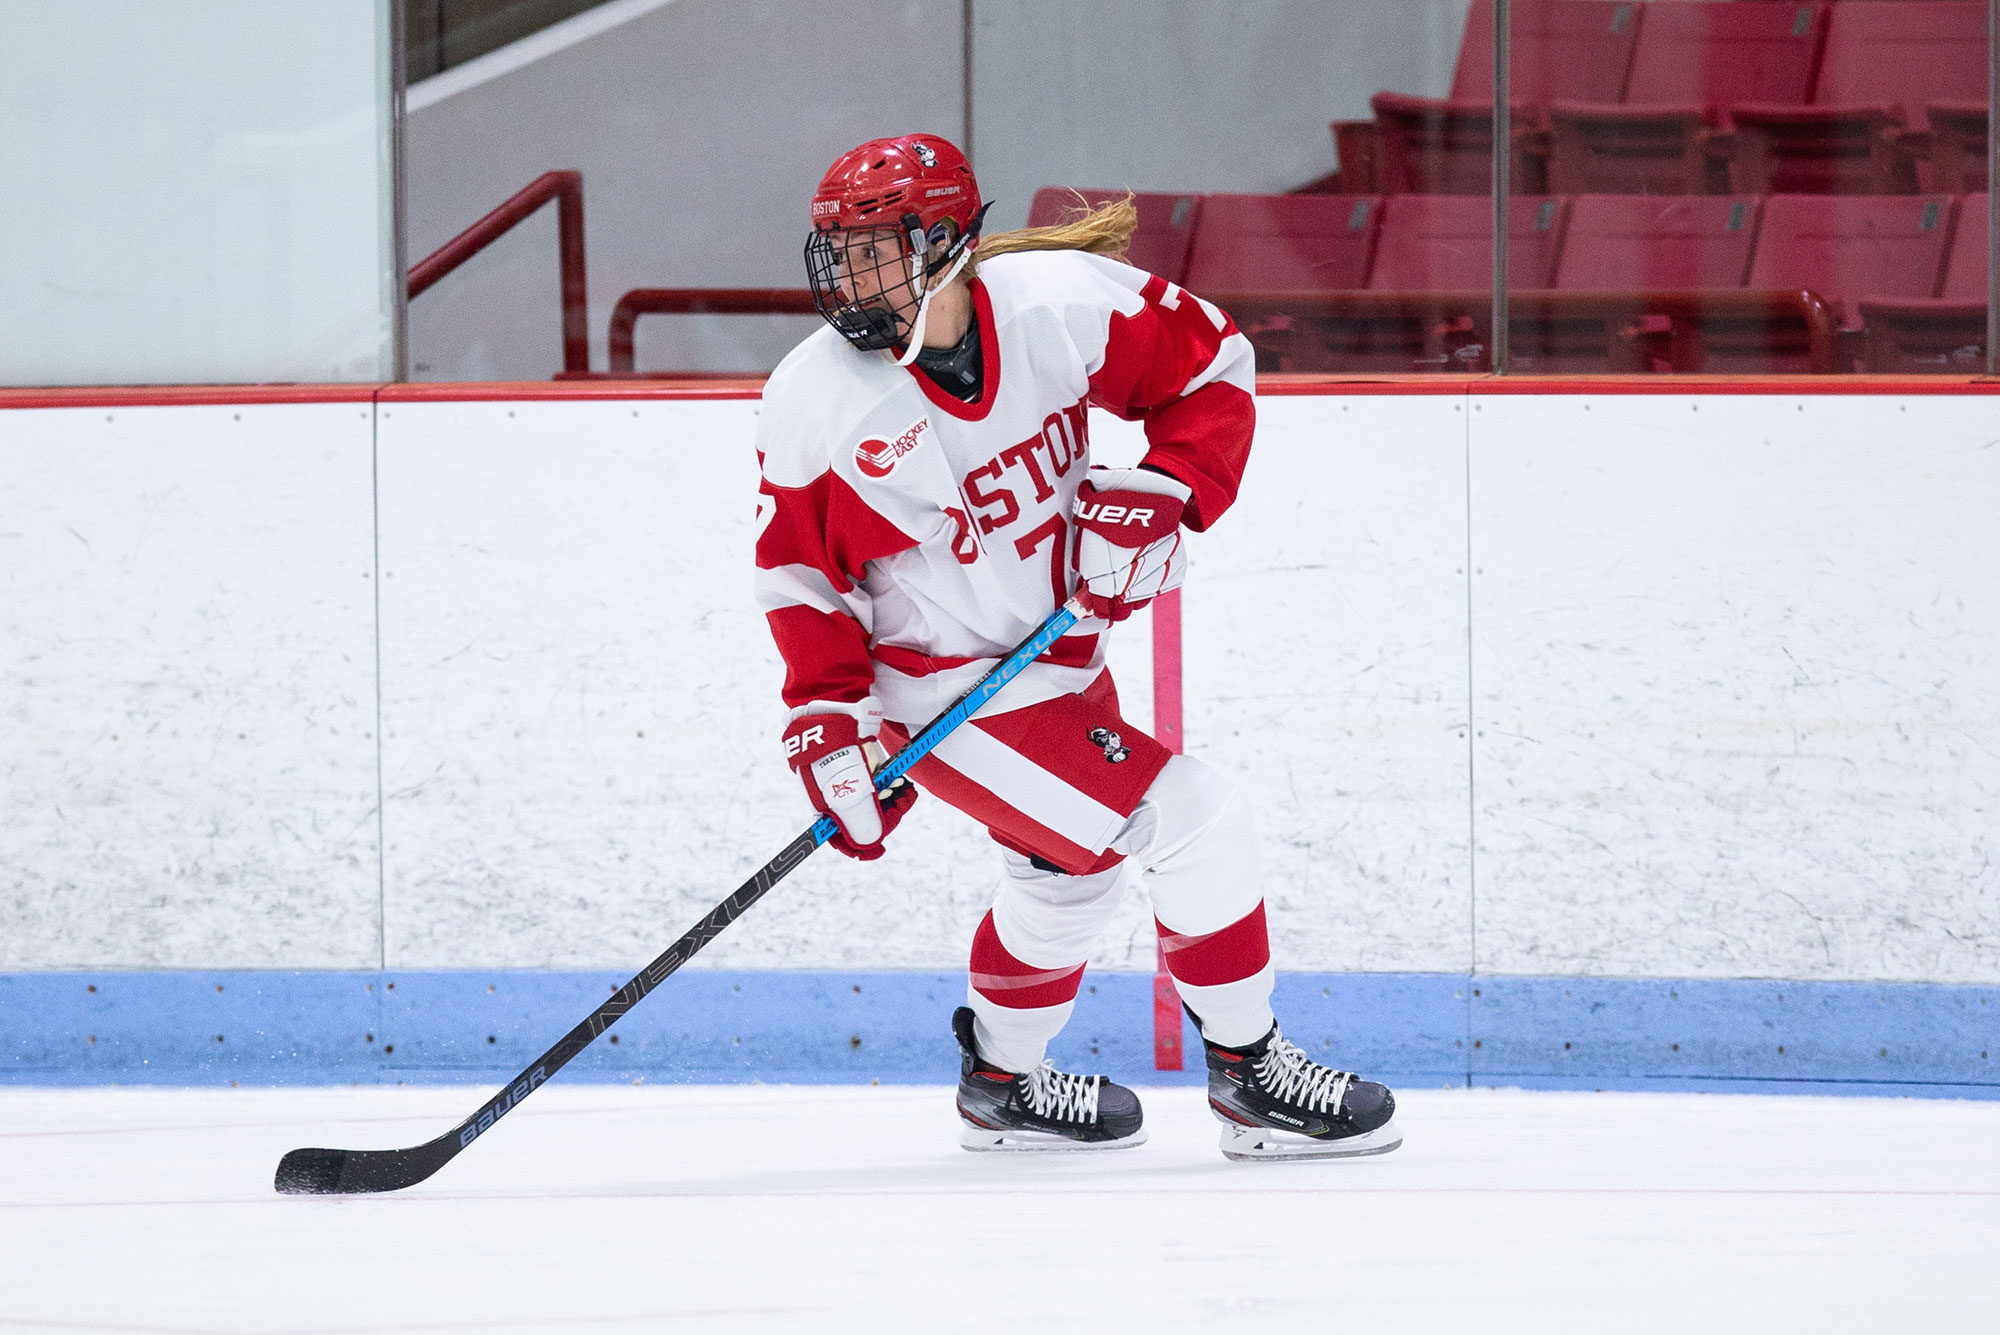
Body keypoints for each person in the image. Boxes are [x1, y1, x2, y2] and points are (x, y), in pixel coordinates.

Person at [754, 133, 1400, 1161]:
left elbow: (1211, 368)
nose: (851, 275)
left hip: (1058, 664)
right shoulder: (818, 398)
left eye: (879, 247)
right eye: (840, 249)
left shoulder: (1059, 304)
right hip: (944, 693)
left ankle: (1002, 1085)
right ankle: (1250, 1074)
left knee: (1066, 881)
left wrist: (1165, 490)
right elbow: (800, 574)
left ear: (951, 242)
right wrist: (830, 718)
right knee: (1193, 819)